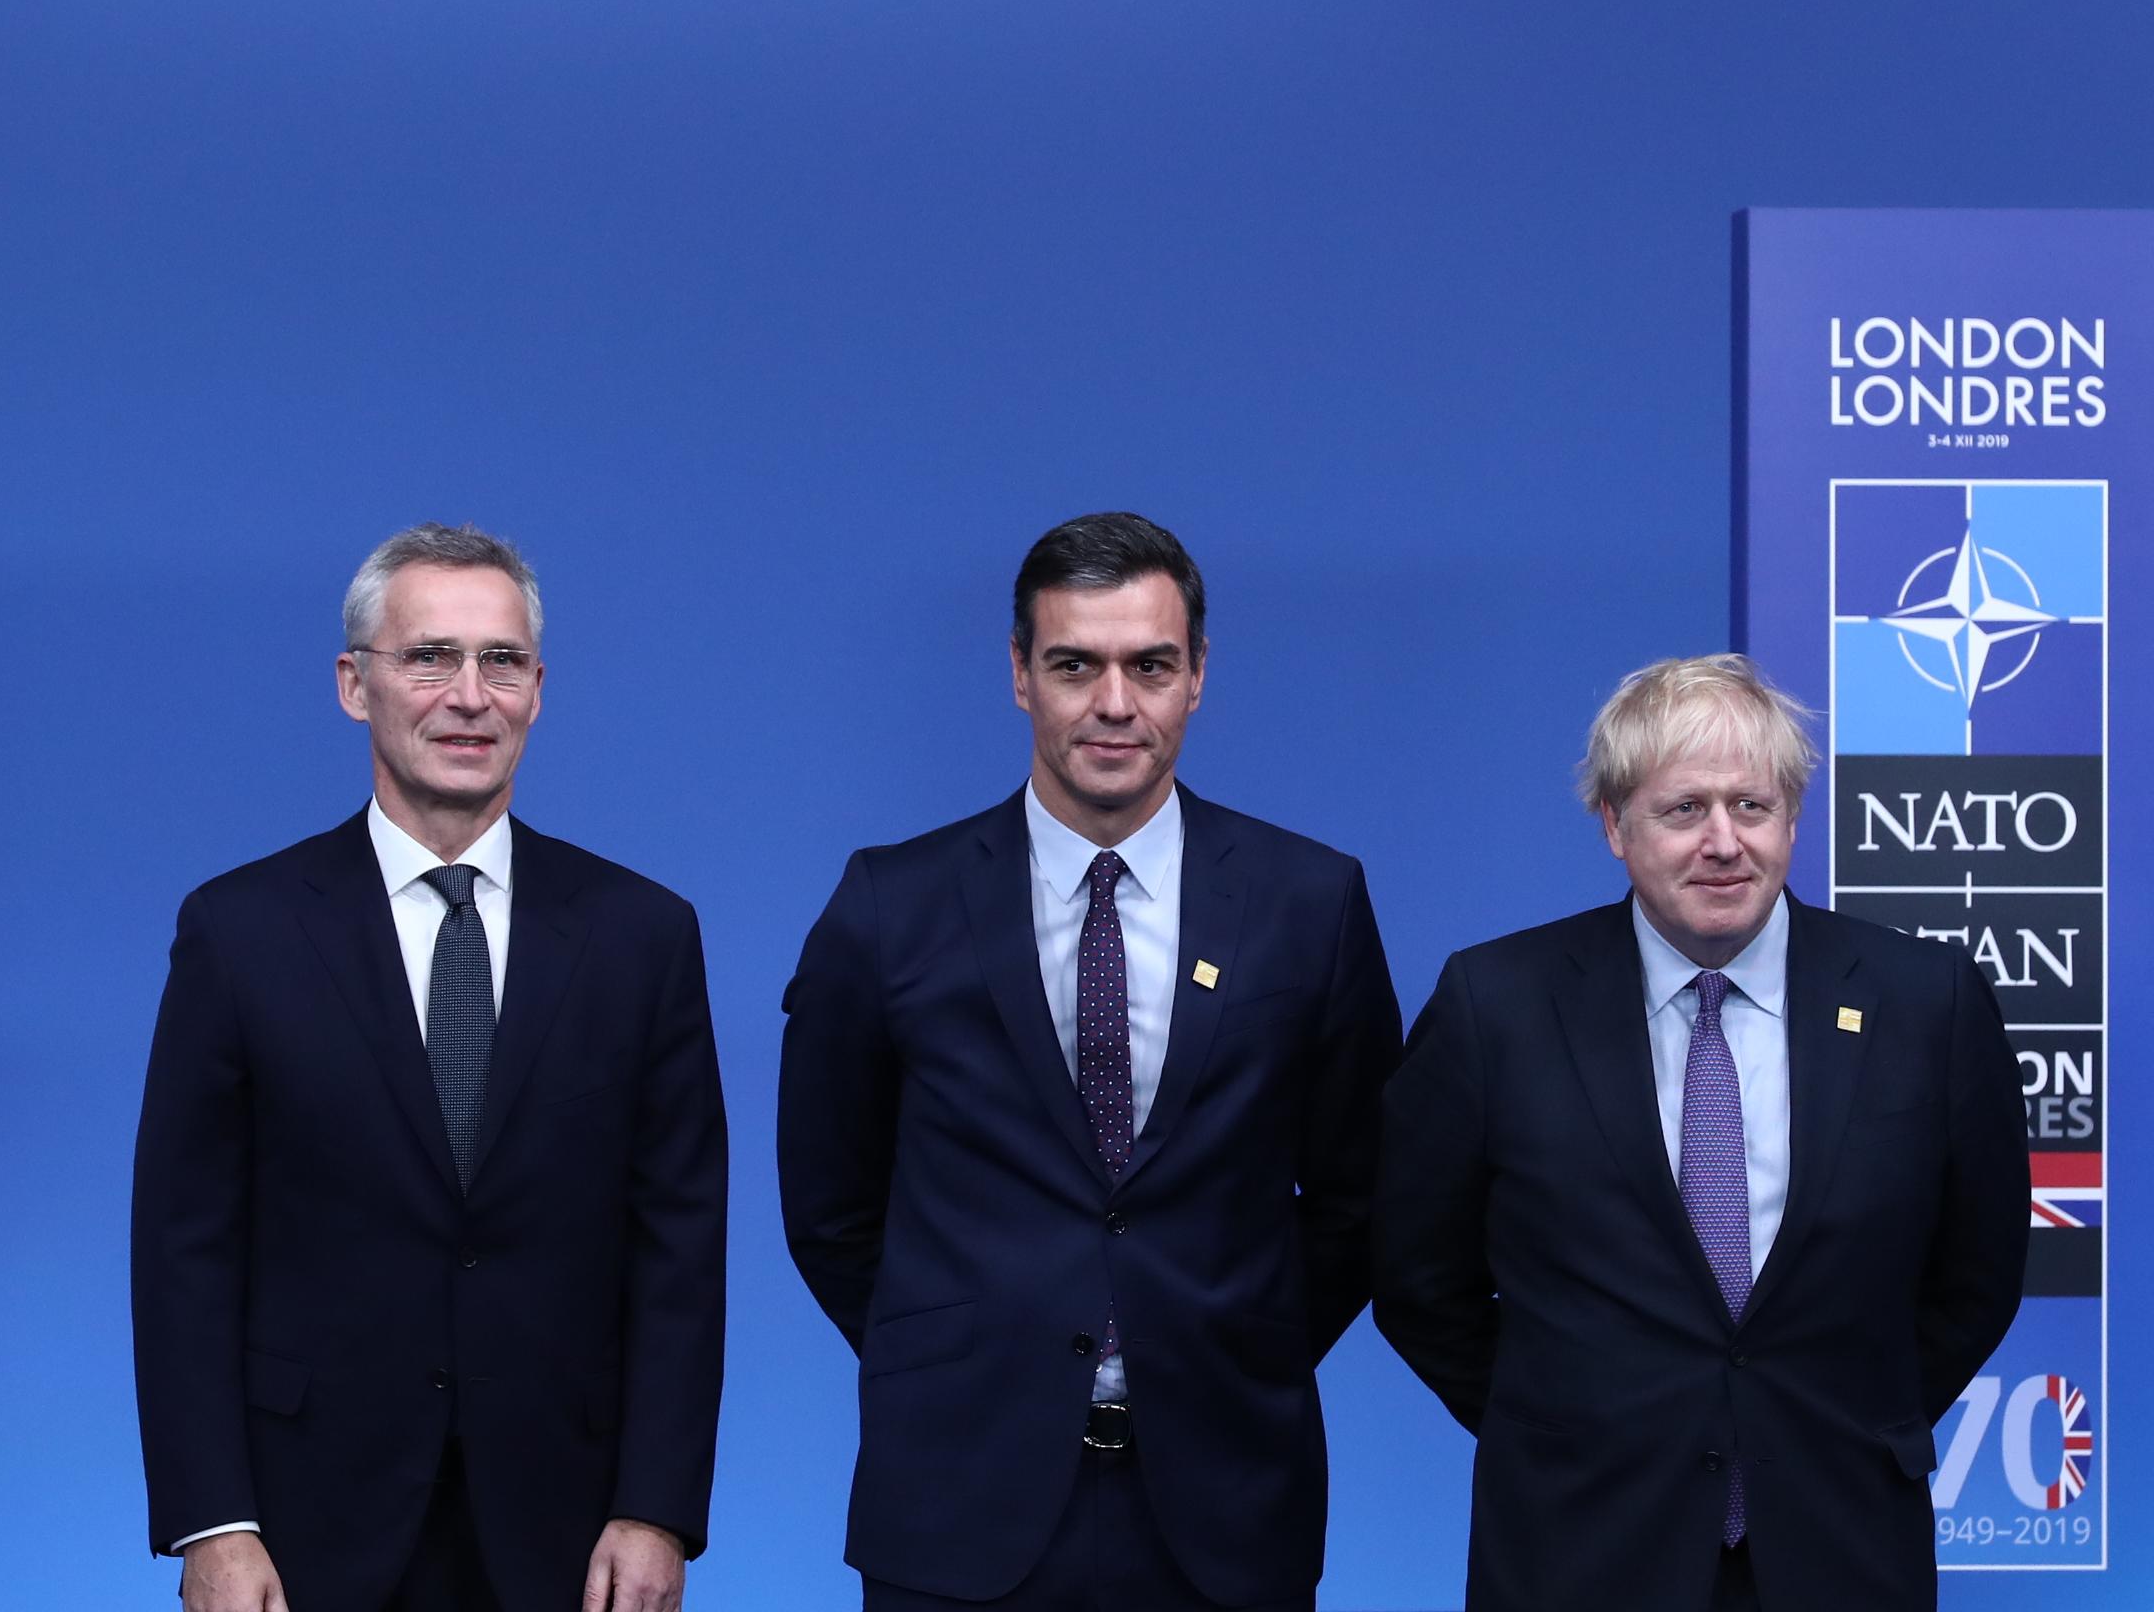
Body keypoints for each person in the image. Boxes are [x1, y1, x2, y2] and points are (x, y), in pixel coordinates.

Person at [778, 512, 1403, 1612]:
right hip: (957, 1501)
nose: (1116, 702)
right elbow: (831, 1203)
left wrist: (1224, 1344)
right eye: (1076, 663)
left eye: (1150, 664)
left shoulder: (1312, 901)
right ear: (1021, 673)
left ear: (1199, 675)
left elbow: (1365, 1197)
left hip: (1225, 1504)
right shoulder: (890, 902)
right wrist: (970, 1347)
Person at [131, 525, 725, 1612]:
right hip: (305, 1521)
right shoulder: (239, 929)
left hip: (572, 1523)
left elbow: (679, 1246)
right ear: (355, 684)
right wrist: (213, 1520)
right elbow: (184, 1248)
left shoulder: (644, 933)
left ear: (538, 689)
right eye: (430, 656)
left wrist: (659, 1505)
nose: (469, 693)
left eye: (501, 660)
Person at [1373, 655, 2026, 1612]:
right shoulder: (1495, 1005)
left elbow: (1978, 1273)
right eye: (1684, 811)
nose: (1724, 843)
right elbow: (1418, 1276)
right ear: (1614, 825)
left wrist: (1839, 1423)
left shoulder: (1927, 1004)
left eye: (1751, 808)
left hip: (1842, 1543)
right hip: (1578, 1545)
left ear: (1793, 818)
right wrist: (1565, 1421)